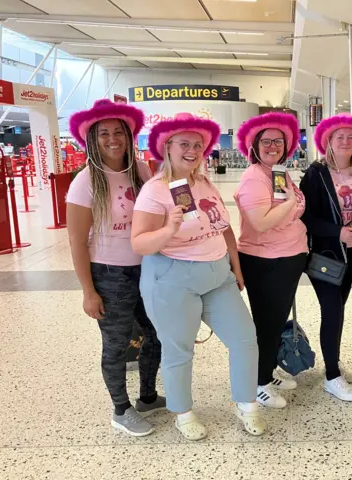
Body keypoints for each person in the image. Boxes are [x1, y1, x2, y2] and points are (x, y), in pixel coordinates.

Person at [131, 113, 266, 441]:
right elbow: (139, 242)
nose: (192, 150)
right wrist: (169, 229)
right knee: (179, 350)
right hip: (173, 279)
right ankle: (183, 411)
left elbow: (224, 226)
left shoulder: (204, 183)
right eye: (183, 143)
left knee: (245, 339)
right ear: (167, 147)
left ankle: (247, 404)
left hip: (217, 274)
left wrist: (235, 265)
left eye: (198, 144)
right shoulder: (154, 191)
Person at [66, 99, 163, 437]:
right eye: (104, 133)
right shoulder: (85, 181)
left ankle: (148, 396)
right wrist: (88, 291)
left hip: (147, 269)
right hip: (110, 274)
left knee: (154, 335)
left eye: (119, 132)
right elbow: (77, 241)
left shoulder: (141, 170)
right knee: (117, 344)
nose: (112, 138)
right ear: (92, 139)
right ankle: (121, 409)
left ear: (129, 135)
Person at [299, 114, 352, 402]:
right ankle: (332, 375)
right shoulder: (316, 173)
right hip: (326, 254)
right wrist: (337, 232)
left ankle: (333, 361)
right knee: (332, 311)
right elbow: (306, 216)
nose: (345, 141)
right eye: (339, 136)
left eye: (351, 136)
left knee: (338, 310)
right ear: (328, 141)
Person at [234, 113, 307, 409]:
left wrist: (289, 209)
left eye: (279, 140)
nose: (273, 145)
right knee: (266, 325)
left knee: (275, 324)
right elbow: (261, 223)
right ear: (254, 145)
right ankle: (259, 384)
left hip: (287, 257)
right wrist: (290, 205)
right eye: (266, 141)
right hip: (266, 261)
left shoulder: (278, 173)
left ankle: (266, 371)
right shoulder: (253, 177)